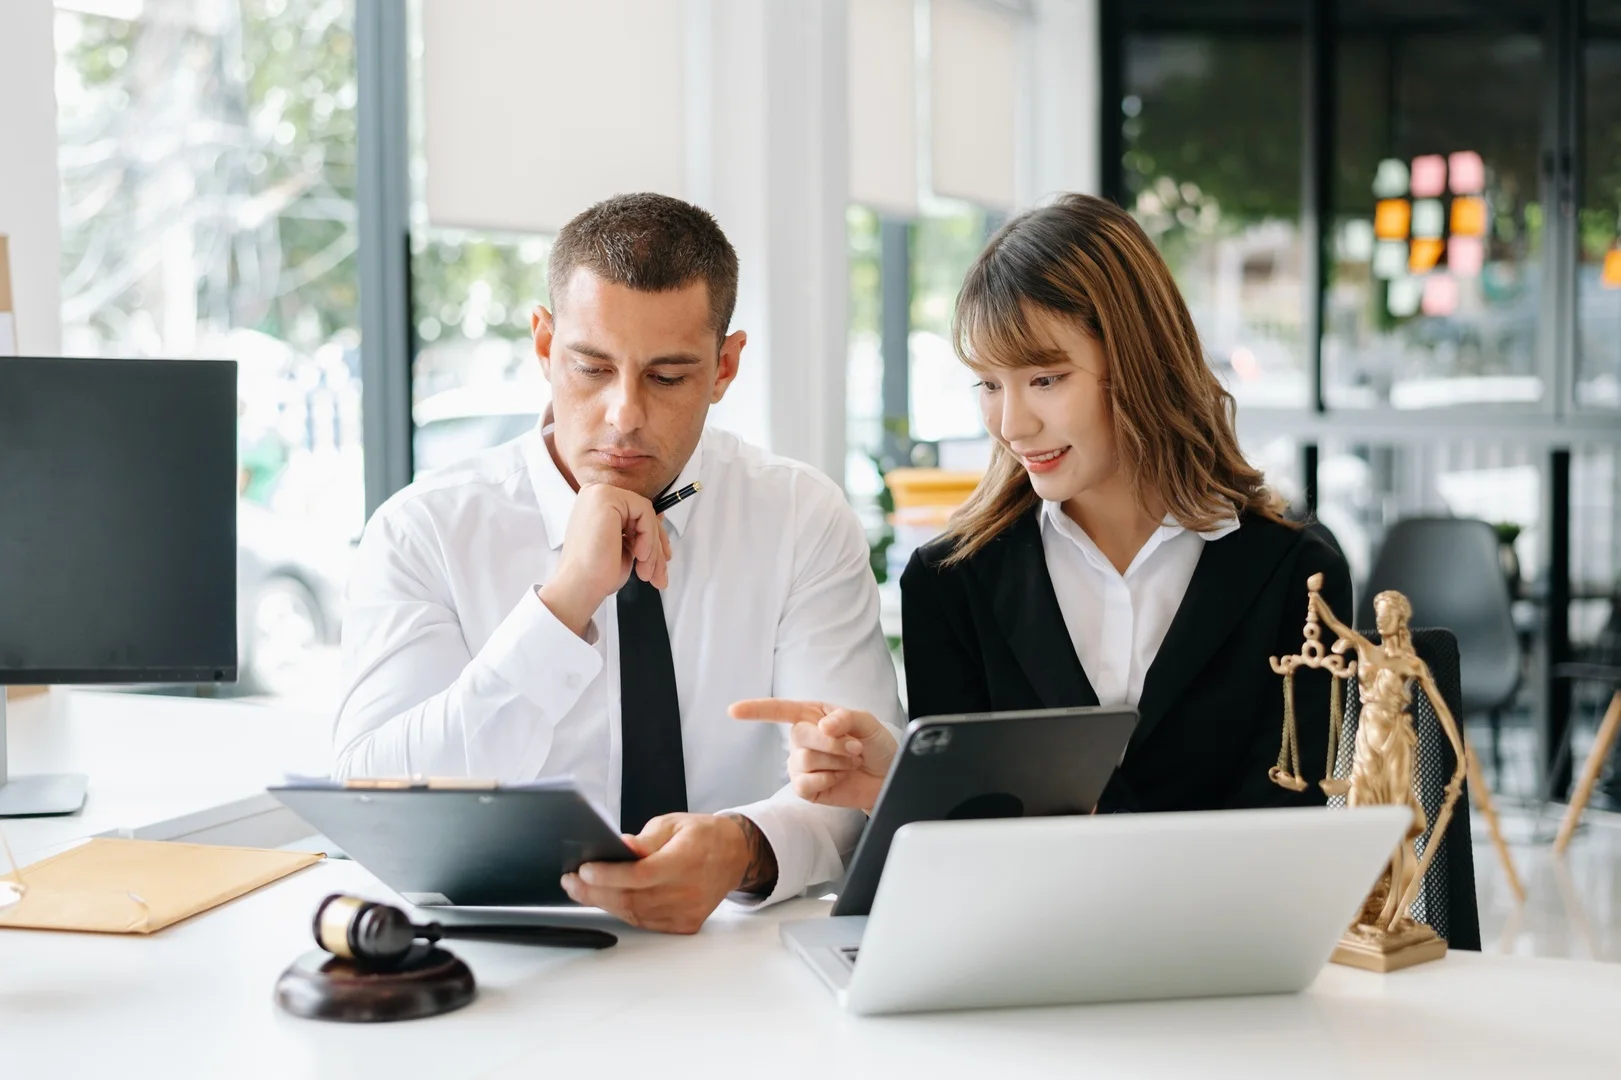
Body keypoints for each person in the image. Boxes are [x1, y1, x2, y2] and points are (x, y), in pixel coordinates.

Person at [333, 193, 904, 933]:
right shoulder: (425, 531)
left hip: (732, 972)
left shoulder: (799, 517)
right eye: (591, 368)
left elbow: (853, 787)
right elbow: (374, 797)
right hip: (502, 961)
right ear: (543, 346)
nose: (624, 414)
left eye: (667, 377)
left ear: (725, 366)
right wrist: (565, 600)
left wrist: (744, 847)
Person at [734, 193, 1351, 816]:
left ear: (1139, 361)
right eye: (989, 384)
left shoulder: (1299, 573)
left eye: (1045, 379)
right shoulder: (953, 584)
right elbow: (965, 855)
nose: (1011, 424)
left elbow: (1294, 831)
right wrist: (903, 789)